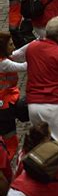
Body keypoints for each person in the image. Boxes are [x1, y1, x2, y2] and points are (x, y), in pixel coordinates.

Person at [0, 32, 28, 160]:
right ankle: (6, 164)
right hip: (4, 108)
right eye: (10, 44)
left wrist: (42, 40)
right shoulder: (4, 63)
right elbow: (24, 66)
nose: (13, 46)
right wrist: (40, 55)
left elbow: (22, 50)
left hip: (8, 101)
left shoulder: (6, 58)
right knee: (9, 139)